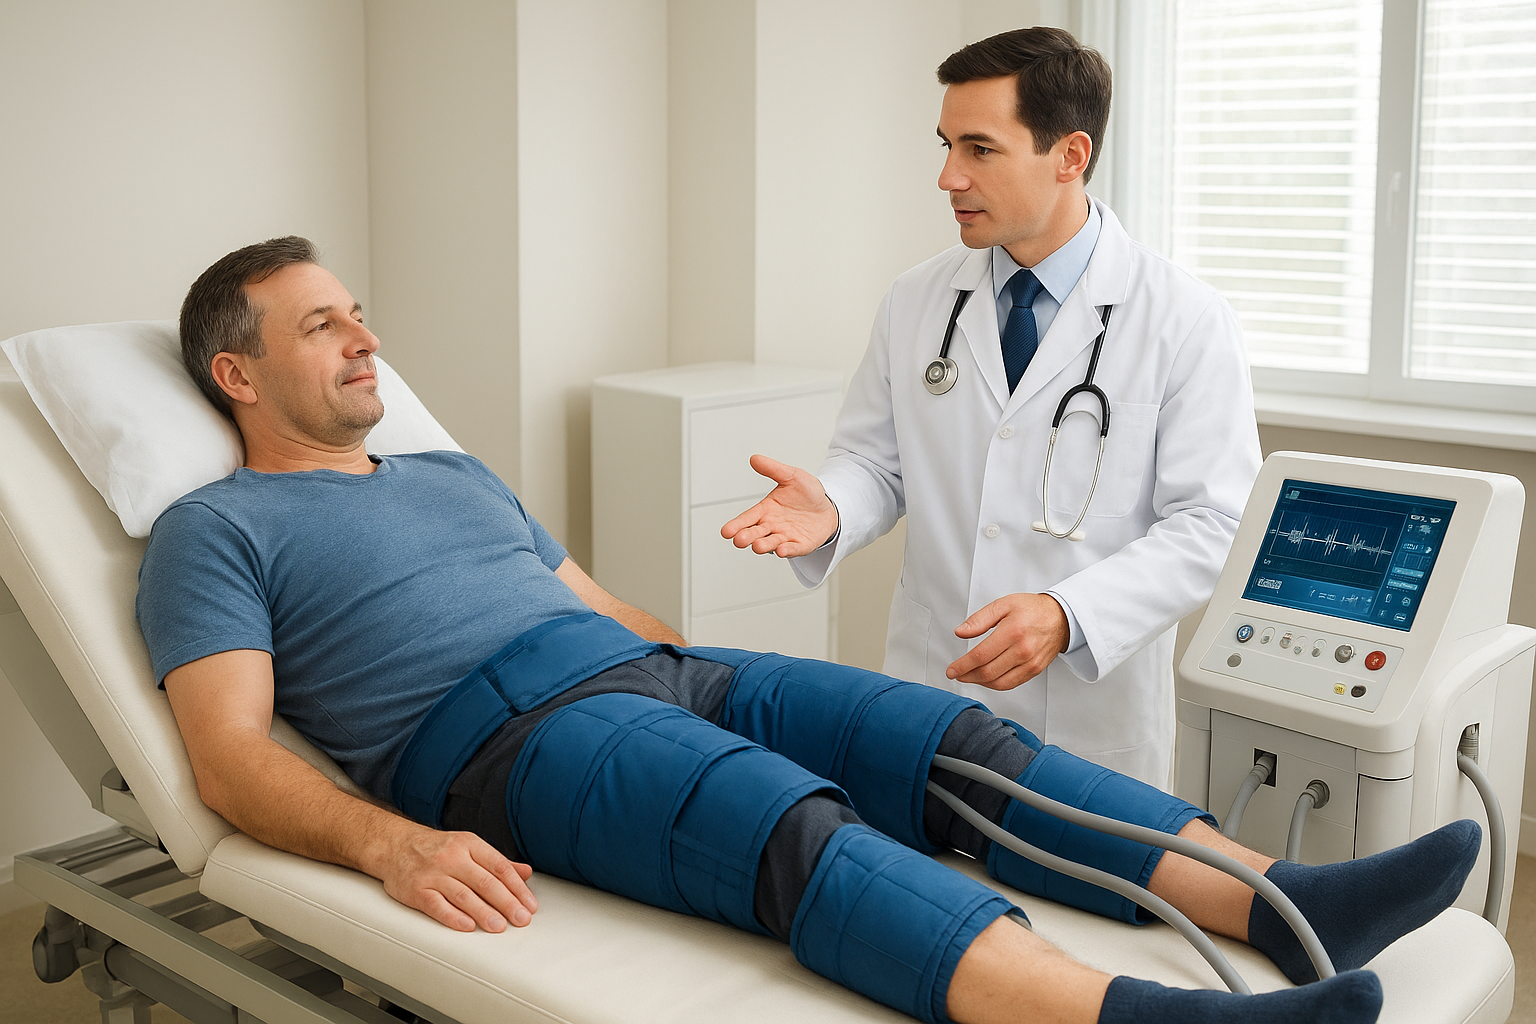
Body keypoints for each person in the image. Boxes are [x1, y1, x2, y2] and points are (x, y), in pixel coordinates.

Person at [138, 237, 1476, 1024]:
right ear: (238, 373)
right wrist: (392, 844)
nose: (367, 341)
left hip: (655, 674)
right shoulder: (219, 531)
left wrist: (704, 676)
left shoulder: (446, 472)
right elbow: (229, 756)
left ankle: (1283, 897)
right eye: (325, 327)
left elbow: (598, 605)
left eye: (361, 317)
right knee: (795, 823)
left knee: (948, 742)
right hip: (502, 740)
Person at [723, 27, 1262, 788]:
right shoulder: (918, 299)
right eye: (945, 145)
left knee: (1076, 904)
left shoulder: (1184, 319)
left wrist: (1067, 614)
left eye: (979, 149)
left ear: (1069, 155)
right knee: (926, 899)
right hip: (928, 695)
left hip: (1085, 722)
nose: (947, 177)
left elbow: (1215, 525)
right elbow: (877, 463)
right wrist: (835, 506)